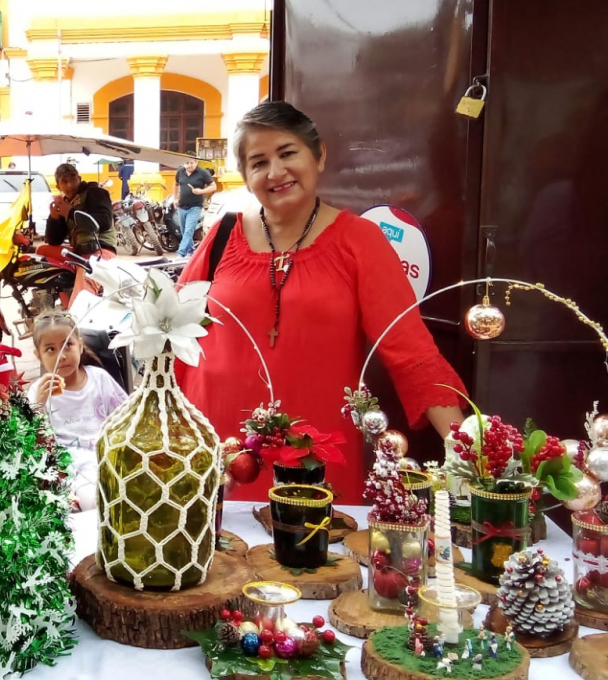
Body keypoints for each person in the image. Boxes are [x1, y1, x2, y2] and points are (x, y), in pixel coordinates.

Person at [177, 101, 465, 504]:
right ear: (245, 176)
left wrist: (471, 453)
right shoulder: (222, 235)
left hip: (316, 458)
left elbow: (413, 355)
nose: (275, 172)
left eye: (287, 153)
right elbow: (172, 334)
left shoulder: (360, 242)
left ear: (319, 155)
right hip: (216, 451)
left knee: (315, 559)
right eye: (258, 162)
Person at [28, 311, 128, 511]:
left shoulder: (99, 379)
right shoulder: (38, 391)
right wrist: (38, 405)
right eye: (50, 349)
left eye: (68, 345)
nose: (62, 356)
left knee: (98, 501)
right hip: (59, 462)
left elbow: (126, 416)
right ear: (38, 355)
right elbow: (29, 438)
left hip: (99, 456)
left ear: (80, 346)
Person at [43, 163, 117, 257]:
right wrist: (54, 219)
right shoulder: (64, 204)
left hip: (101, 249)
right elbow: (54, 241)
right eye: (64, 182)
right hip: (79, 252)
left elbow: (105, 221)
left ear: (79, 179)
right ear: (58, 186)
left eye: (73, 179)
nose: (70, 185)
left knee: (82, 271)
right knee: (42, 251)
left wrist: (70, 213)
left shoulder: (95, 192)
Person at [174, 158, 216, 258]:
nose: (189, 165)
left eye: (191, 163)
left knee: (189, 230)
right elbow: (176, 184)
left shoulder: (203, 173)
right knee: (185, 232)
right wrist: (175, 198)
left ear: (196, 162)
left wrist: (201, 191)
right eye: (186, 163)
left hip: (195, 207)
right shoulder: (180, 171)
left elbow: (213, 186)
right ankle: (191, 251)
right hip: (182, 206)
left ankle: (180, 254)